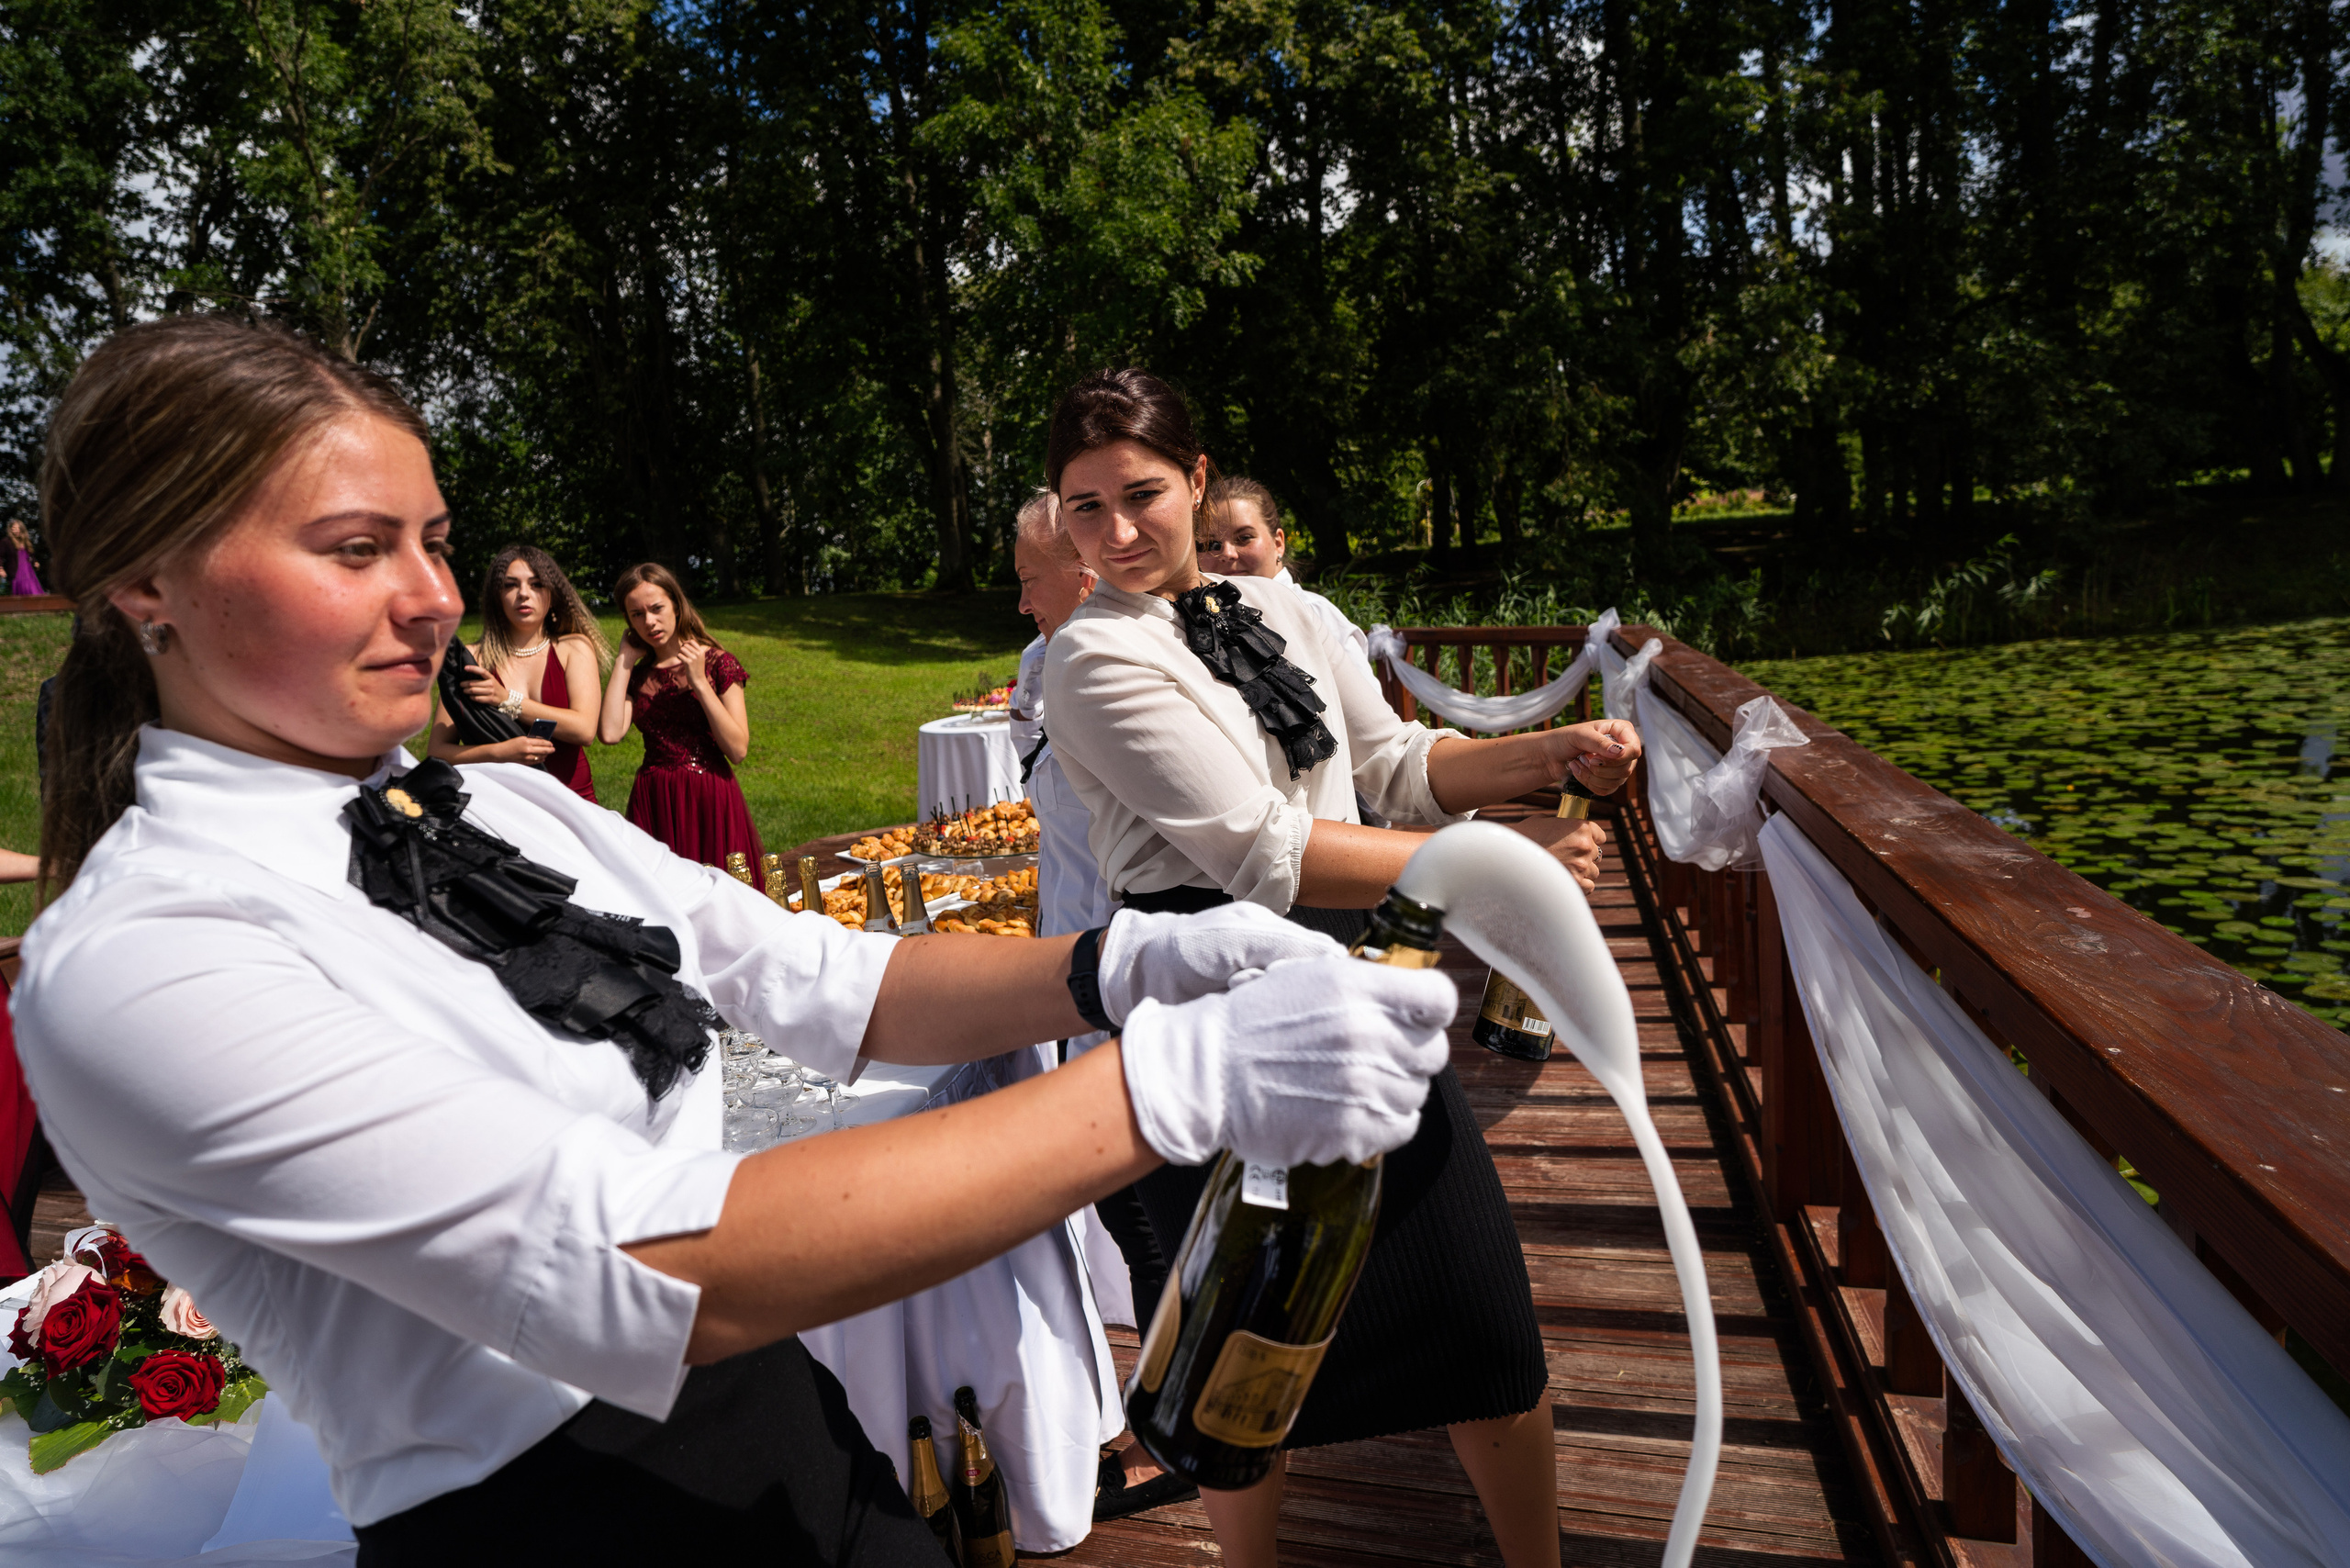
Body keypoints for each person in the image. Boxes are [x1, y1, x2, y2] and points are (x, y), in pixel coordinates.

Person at [13, 314, 1459, 1563]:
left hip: (785, 1423)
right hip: (556, 1527)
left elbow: (807, 970)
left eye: (435, 541)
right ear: (146, 583)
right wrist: (1167, 1086)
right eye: (356, 548)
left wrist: (1117, 966)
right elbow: (623, 1262)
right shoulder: (144, 953)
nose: (436, 597)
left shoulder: (489, 811)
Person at [1042, 368, 1644, 1568]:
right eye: (1084, 507)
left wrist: (1545, 752)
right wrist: (1500, 860)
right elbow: (1262, 853)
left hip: (1357, 982)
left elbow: (1406, 766)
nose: (1115, 532)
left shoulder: (1298, 614)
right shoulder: (1090, 661)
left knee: (1481, 1322)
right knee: (1240, 1333)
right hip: (1201, 999)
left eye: (1143, 495)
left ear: (1199, 480)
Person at [599, 562, 761, 868]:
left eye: (657, 608)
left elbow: (738, 749)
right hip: (655, 798)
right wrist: (624, 659)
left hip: (709, 796)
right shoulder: (639, 674)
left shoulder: (718, 663)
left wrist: (699, 681)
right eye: (637, 614)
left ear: (676, 605)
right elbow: (609, 733)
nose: (649, 621)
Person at [428, 544, 610, 802]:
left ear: (552, 593)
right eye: (510, 585)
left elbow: (584, 729)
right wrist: (500, 752)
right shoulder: (472, 660)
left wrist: (507, 700)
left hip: (572, 802)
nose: (524, 594)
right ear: (496, 596)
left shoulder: (574, 648)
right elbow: (437, 752)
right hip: (504, 806)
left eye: (536, 584)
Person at [1194, 476, 1367, 662]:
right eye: (1212, 544)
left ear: (1278, 543)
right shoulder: (1196, 622)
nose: (1227, 554)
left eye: (1244, 538)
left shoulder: (1315, 615)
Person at [6, 519, 45, 596]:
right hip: (17, 569)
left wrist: (35, 562)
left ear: (21, 529)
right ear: (11, 530)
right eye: (14, 529)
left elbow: (31, 555)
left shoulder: (26, 542)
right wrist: (1, 568)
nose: (16, 531)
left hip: (28, 569)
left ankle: (37, 603)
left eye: (18, 528)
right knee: (21, 586)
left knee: (32, 586)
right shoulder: (8, 542)